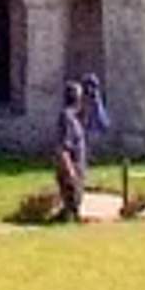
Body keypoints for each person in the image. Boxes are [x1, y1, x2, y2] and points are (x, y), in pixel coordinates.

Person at [50, 77, 92, 225]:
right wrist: (70, 171)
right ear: (77, 99)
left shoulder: (74, 118)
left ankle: (67, 218)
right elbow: (64, 148)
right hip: (71, 169)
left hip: (76, 168)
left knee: (74, 205)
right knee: (72, 203)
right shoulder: (67, 118)